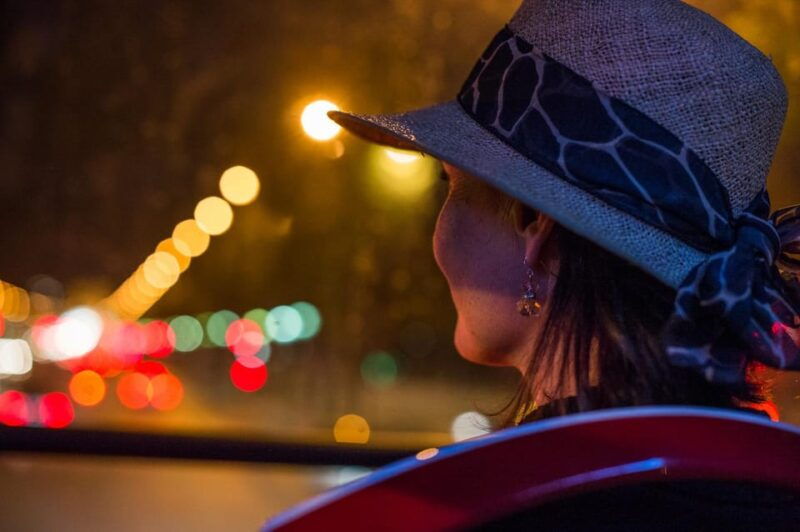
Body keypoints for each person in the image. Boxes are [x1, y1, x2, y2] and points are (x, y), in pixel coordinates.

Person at [326, 0, 800, 429]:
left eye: (451, 184)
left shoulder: (526, 500)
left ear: (535, 225)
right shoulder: (747, 467)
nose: (438, 233)